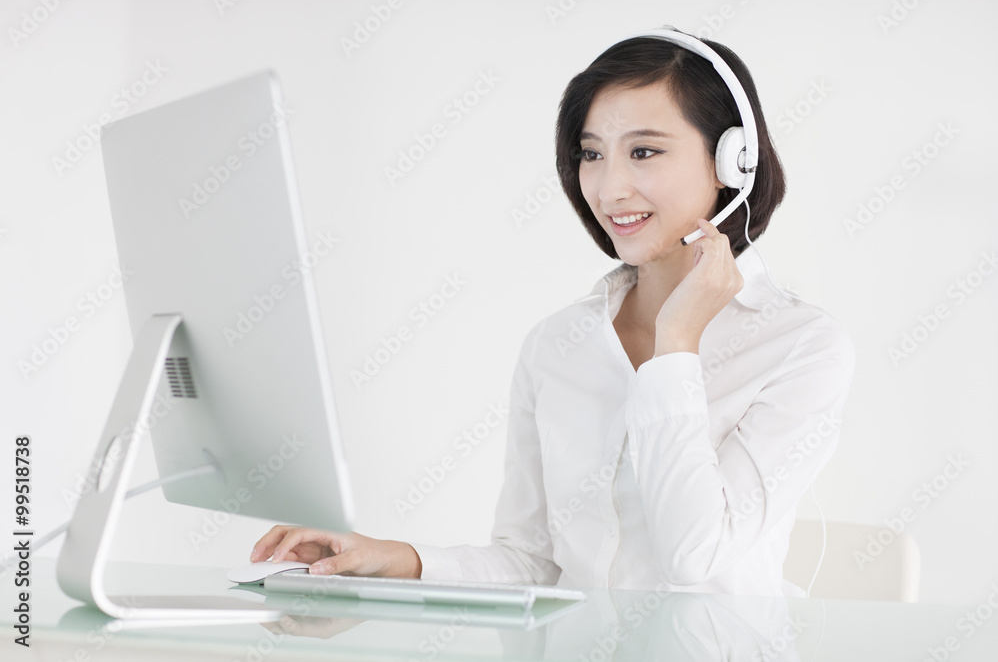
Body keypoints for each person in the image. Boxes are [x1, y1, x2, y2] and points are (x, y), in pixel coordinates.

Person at [249, 29, 854, 598]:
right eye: (592, 154)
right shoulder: (558, 343)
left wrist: (676, 345)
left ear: (733, 164)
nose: (609, 188)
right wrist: (397, 558)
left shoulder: (801, 346)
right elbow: (533, 562)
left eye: (644, 151)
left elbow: (695, 554)